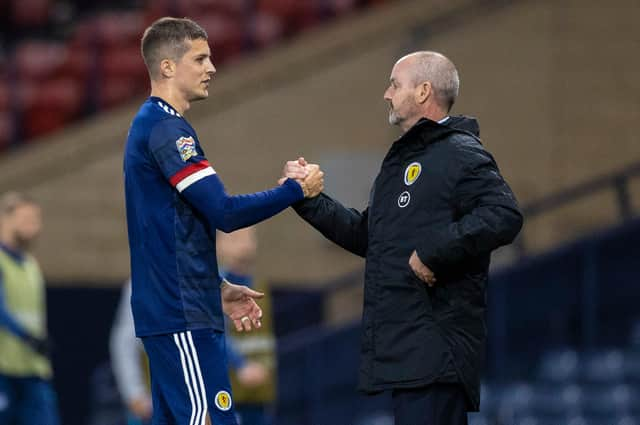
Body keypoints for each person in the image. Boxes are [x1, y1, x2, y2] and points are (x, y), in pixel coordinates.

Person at [292, 51, 523, 425]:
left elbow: (504, 214)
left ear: (423, 92)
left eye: (395, 84)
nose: (386, 93)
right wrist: (307, 200)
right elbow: (367, 236)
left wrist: (434, 252)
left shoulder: (460, 153)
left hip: (436, 350)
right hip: (409, 351)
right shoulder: (400, 162)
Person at [123, 17, 323, 425]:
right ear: (167, 67)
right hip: (181, 313)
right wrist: (294, 190)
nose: (211, 67)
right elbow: (225, 212)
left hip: (180, 307)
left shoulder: (156, 125)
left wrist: (215, 287)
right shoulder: (166, 129)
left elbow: (172, 233)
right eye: (200, 58)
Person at [0, 192, 59, 425]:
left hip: (34, 370)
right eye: (27, 219)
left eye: (36, 220)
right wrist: (29, 338)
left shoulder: (31, 264)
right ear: (6, 219)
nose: (35, 226)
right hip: (4, 370)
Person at [217, 227, 276, 425]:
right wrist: (240, 365)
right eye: (235, 238)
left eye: (249, 237)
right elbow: (214, 333)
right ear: (218, 245)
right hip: (227, 393)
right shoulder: (215, 287)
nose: (244, 243)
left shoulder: (261, 286)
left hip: (259, 394)